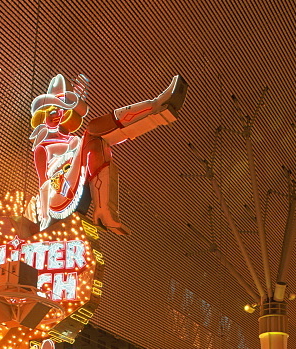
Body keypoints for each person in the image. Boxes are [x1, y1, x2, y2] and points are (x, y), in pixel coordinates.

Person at [30, 73, 187, 234]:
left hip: (73, 181)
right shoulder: (42, 147)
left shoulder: (71, 140)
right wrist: (45, 218)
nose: (57, 116)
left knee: (97, 143)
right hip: (58, 196)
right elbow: (43, 183)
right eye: (51, 113)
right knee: (92, 131)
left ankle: (103, 210)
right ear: (42, 117)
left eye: (60, 111)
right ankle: (156, 106)